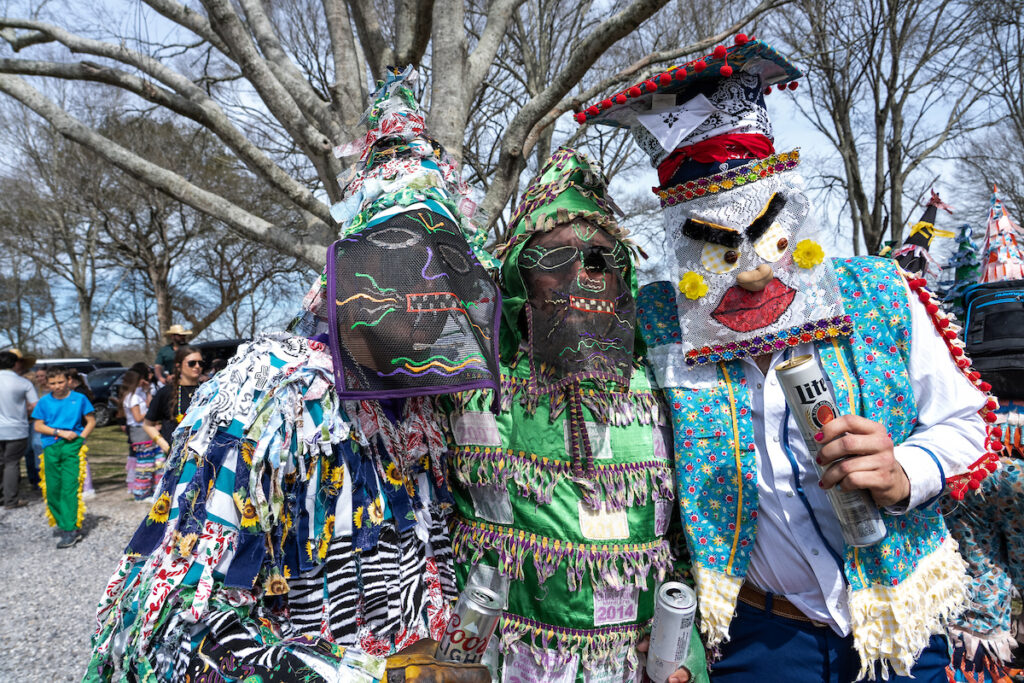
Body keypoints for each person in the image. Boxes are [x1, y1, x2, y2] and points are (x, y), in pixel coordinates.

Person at [581, 36, 998, 681]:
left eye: (769, 236)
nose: (751, 273)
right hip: (760, 638)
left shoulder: (878, 293)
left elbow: (970, 427)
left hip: (901, 624)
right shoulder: (658, 323)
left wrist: (904, 472)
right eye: (719, 250)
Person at [87, 66, 498, 682]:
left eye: (448, 274)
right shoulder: (267, 393)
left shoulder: (425, 403)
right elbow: (178, 618)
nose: (429, 295)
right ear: (351, 267)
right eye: (406, 261)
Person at [446, 147, 706, 683]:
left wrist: (685, 657)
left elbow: (691, 534)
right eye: (555, 259)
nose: (583, 276)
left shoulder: (665, 382)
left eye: (598, 260)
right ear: (520, 273)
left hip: (638, 664)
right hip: (504, 662)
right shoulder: (473, 382)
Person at [31, 366, 95, 549]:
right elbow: (38, 426)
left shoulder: (79, 398)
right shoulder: (44, 402)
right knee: (52, 489)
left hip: (72, 447)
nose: (57, 386)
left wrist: (80, 438)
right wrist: (59, 431)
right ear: (47, 384)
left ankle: (70, 529)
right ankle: (62, 521)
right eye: (52, 383)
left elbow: (91, 421)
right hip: (51, 447)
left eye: (60, 382)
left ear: (68, 380)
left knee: (69, 487)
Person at [142, 346, 202, 457]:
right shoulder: (165, 392)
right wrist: (166, 446)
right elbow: (148, 425)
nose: (197, 366)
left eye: (201, 363)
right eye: (192, 363)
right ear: (178, 366)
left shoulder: (208, 391)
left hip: (204, 457)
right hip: (176, 459)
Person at [0, 350, 38, 509]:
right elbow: (36, 406)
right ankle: (11, 500)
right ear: (15, 364)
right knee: (12, 463)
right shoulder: (23, 383)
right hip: (17, 429)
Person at [119, 369, 158, 501]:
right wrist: (152, 415)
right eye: (143, 379)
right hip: (139, 432)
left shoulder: (139, 393)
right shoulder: (132, 397)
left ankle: (151, 489)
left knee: (154, 462)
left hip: (146, 430)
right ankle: (141, 493)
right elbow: (137, 417)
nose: (146, 381)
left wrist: (147, 392)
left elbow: (150, 405)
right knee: (144, 463)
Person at [68, 368, 97, 498]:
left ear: (70, 380)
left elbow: (88, 417)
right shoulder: (78, 391)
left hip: (79, 430)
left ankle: (87, 487)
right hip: (78, 429)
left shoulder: (79, 394)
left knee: (81, 458)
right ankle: (81, 485)